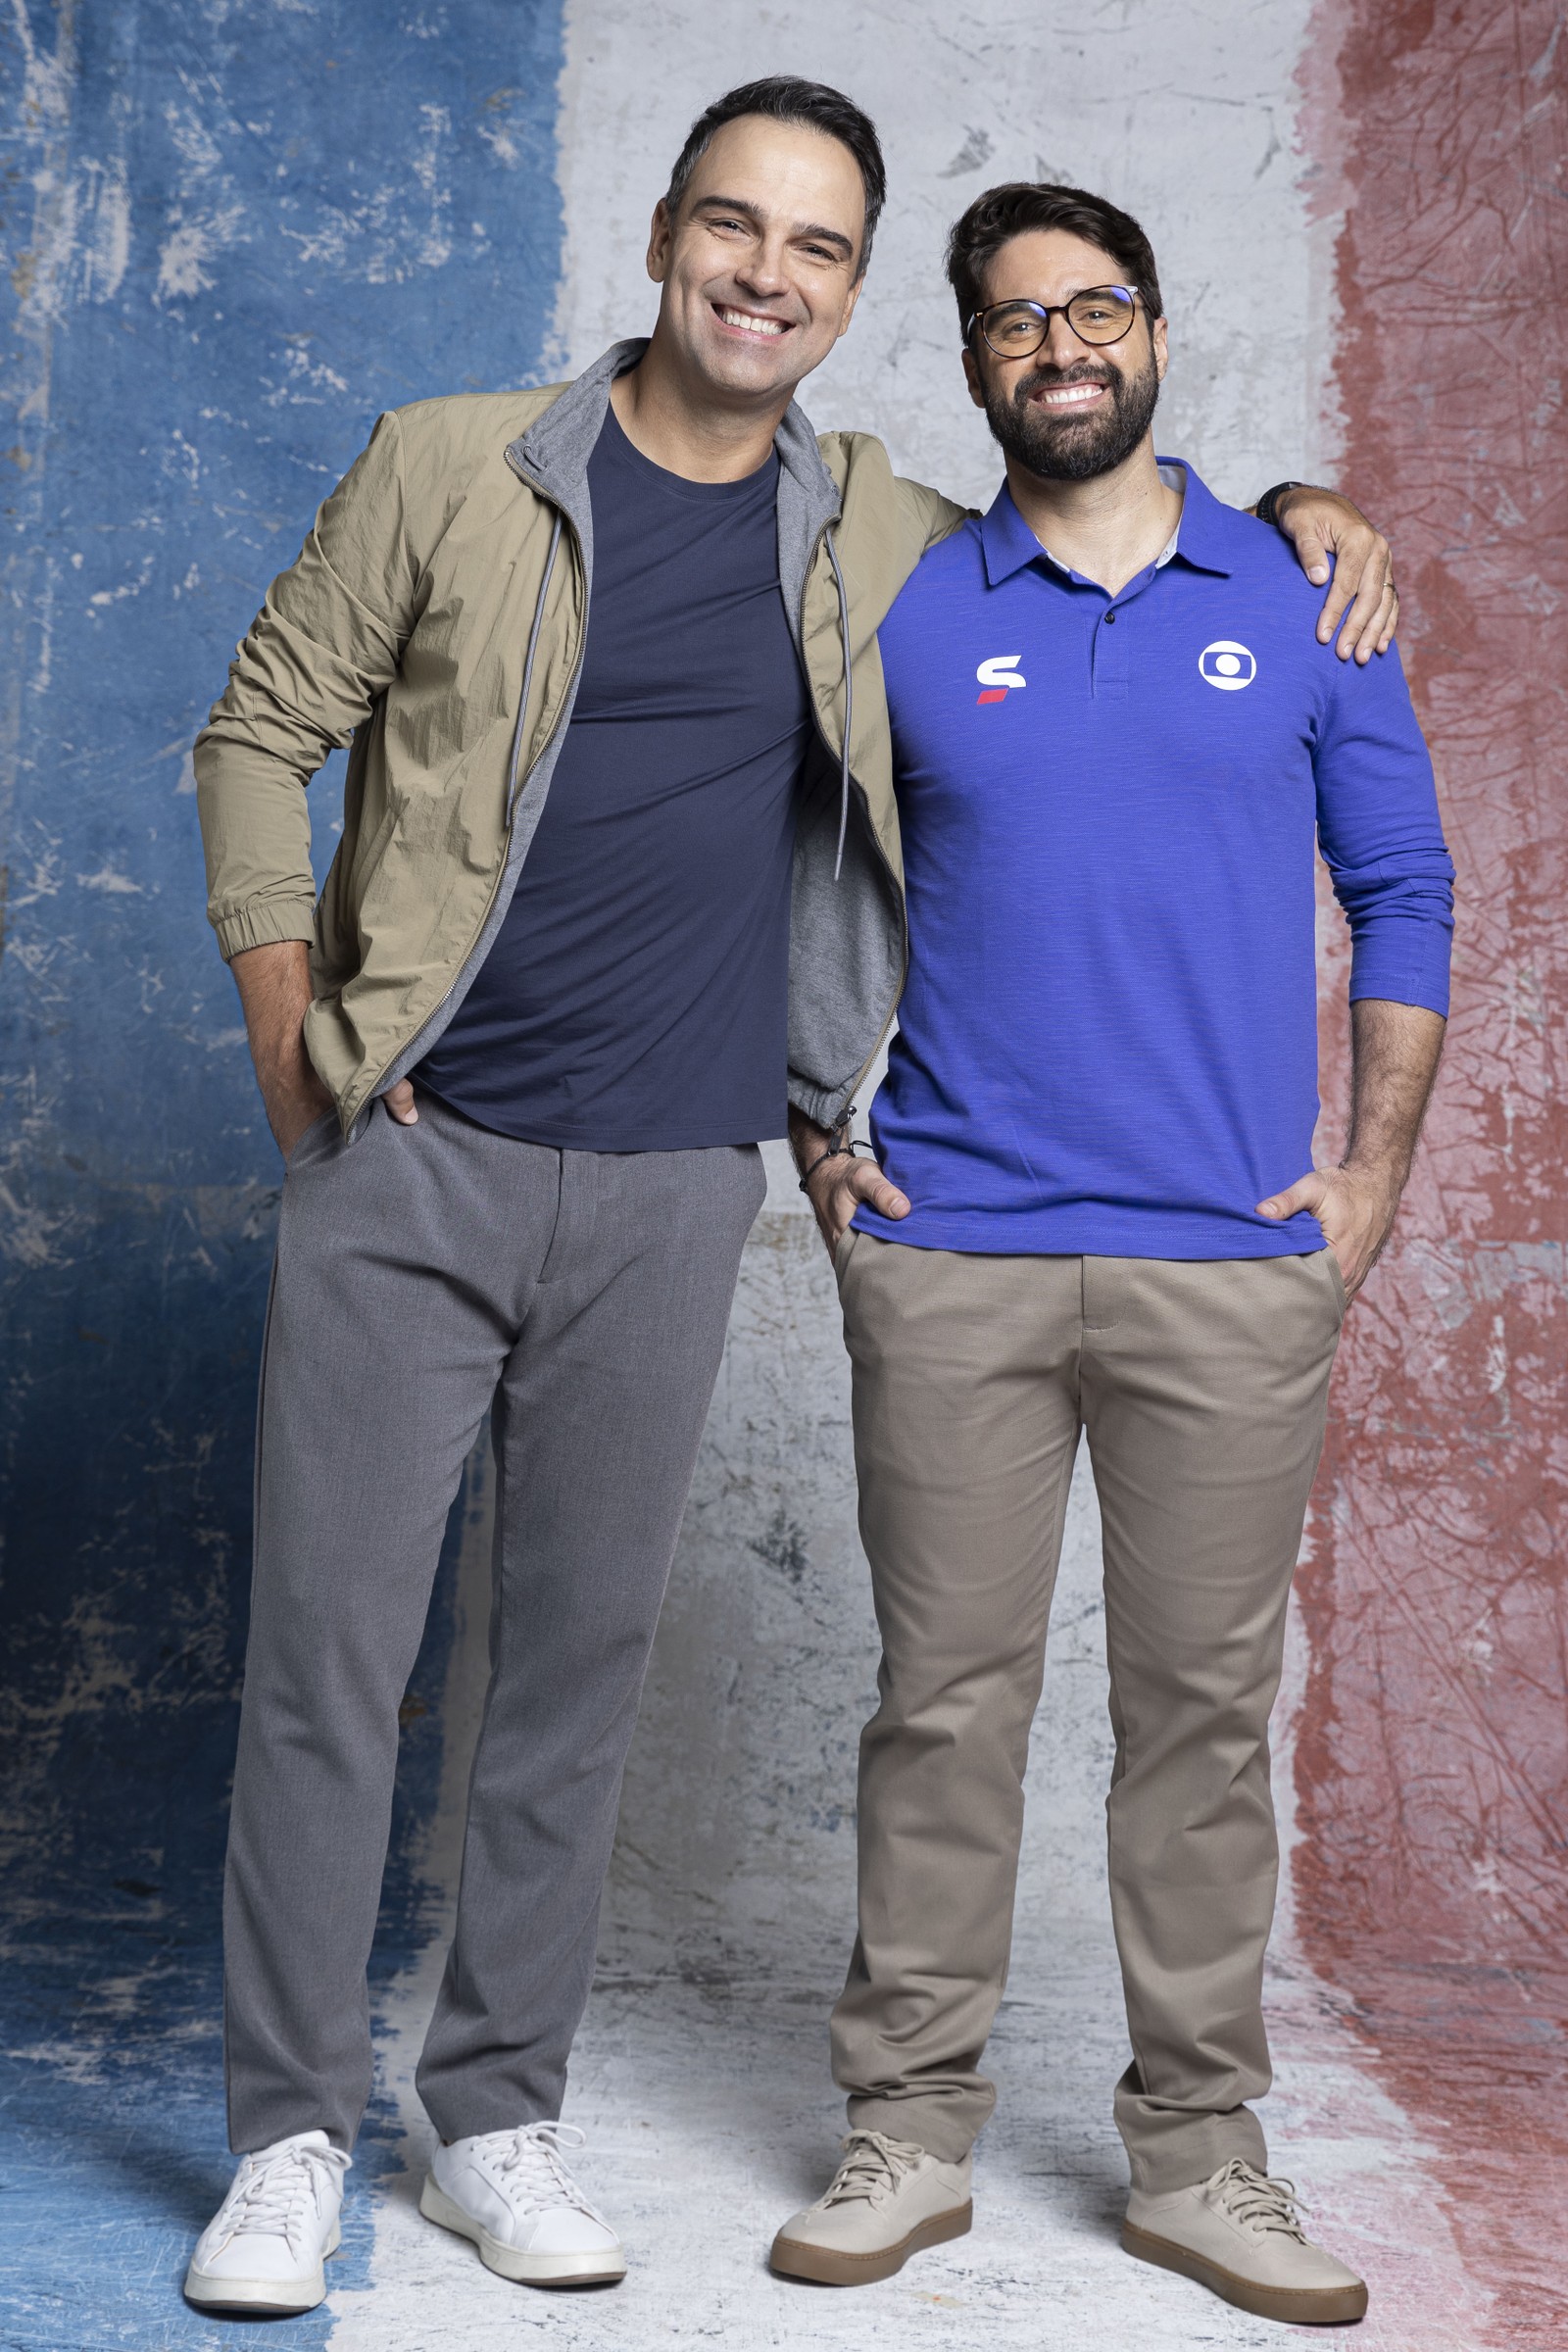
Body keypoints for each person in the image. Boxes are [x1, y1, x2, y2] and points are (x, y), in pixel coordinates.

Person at [186, 79, 1397, 2314]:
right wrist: (298, 1043)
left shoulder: (874, 537)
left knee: (571, 1686)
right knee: (326, 1677)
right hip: (415, 1163)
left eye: (817, 246)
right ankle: (284, 2141)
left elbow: (1106, 490)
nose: (766, 274)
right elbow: (260, 730)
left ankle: (493, 2118)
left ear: (851, 299)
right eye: (734, 227)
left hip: (674, 1177)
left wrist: (1306, 513)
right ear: (667, 238)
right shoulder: (454, 465)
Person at [775, 180, 1451, 2328]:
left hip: (1228, 1268)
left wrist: (1369, 1180)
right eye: (1014, 319)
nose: (1059, 346)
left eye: (1095, 310)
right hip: (952, 1249)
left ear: (1152, 332)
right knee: (942, 1710)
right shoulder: (900, 598)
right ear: (970, 355)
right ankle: (907, 2125)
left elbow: (1406, 893)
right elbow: (777, 859)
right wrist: (814, 1127)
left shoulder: (1305, 590)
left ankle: (1199, 2156)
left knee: (1200, 1724)